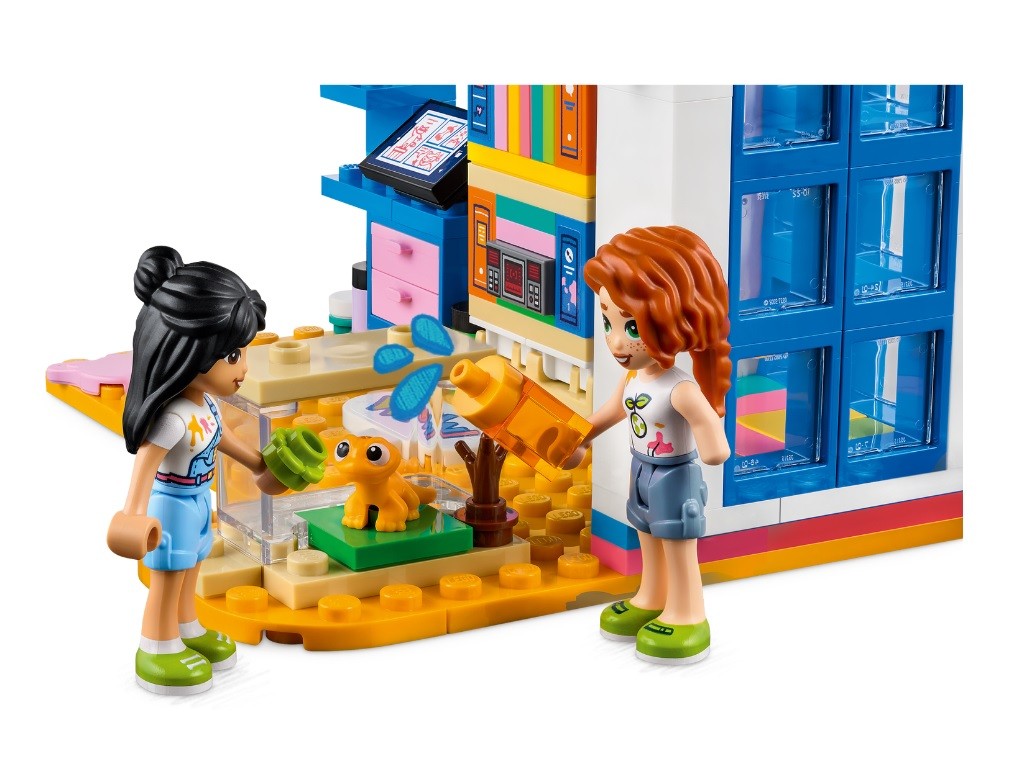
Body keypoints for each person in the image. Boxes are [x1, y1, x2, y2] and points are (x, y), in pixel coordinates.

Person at [107, 246, 285, 694]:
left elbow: (220, 438)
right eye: (232, 356)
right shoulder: (170, 418)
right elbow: (146, 465)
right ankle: (156, 646)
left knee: (191, 570)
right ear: (188, 353)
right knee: (168, 577)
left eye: (242, 352)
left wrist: (259, 464)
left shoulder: (206, 405)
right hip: (170, 506)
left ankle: (187, 628)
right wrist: (133, 514)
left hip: (198, 501)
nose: (243, 368)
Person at [582, 225, 731, 664]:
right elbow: (612, 411)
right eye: (608, 322)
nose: (616, 341)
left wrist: (713, 445)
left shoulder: (680, 388)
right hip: (641, 468)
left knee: (678, 543)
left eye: (631, 326)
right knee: (646, 534)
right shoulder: (634, 377)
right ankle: (653, 597)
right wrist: (579, 436)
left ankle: (688, 614)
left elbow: (712, 437)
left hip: (675, 475)